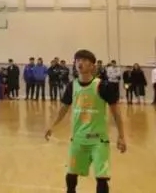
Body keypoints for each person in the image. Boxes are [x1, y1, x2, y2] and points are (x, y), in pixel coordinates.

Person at [45, 49, 126, 193]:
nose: (80, 63)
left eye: (84, 60)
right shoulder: (72, 86)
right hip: (78, 139)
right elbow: (63, 109)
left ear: (92, 65)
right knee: (71, 176)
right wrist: (52, 125)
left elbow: (117, 113)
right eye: (77, 60)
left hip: (98, 141)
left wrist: (121, 136)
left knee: (102, 178)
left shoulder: (103, 86)